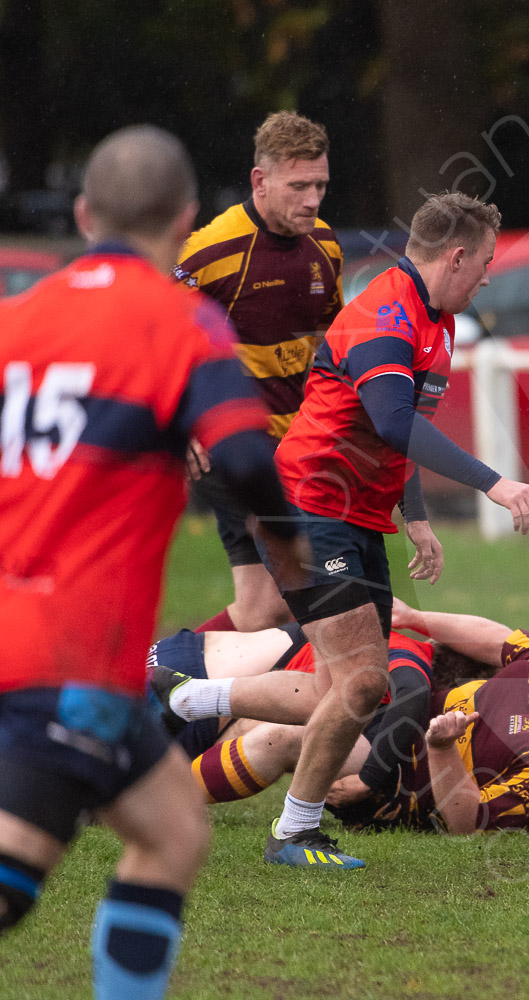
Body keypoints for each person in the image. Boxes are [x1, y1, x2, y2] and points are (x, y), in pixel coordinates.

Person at [0, 126, 304, 999]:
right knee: (15, 871)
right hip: (64, 651)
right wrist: (290, 555)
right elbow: (245, 460)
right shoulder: (183, 320)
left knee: (174, 831)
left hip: (81, 656)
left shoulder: (17, 317)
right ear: (186, 221)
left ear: (84, 213)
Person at [264, 190, 529, 869]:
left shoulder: (438, 318)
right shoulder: (386, 316)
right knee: (365, 684)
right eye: (483, 263)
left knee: (344, 686)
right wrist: (496, 482)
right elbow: (395, 422)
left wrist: (415, 516)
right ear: (455, 257)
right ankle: (293, 829)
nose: (487, 276)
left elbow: (397, 431)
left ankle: (198, 702)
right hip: (309, 508)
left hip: (354, 515)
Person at [147, 598, 529, 836]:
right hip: (409, 715)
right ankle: (191, 705)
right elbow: (494, 638)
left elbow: (466, 824)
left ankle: (148, 801)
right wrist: (416, 620)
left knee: (281, 738)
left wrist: (443, 748)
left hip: (407, 779)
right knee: (343, 678)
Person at [173, 111, 354, 634]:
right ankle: (165, 681)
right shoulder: (209, 251)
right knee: (278, 603)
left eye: (320, 184)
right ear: (261, 180)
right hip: (233, 446)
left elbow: (330, 340)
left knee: (274, 608)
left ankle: (194, 693)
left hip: (301, 448)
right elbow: (155, 336)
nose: (313, 199)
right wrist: (185, 423)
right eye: (299, 186)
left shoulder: (325, 247)